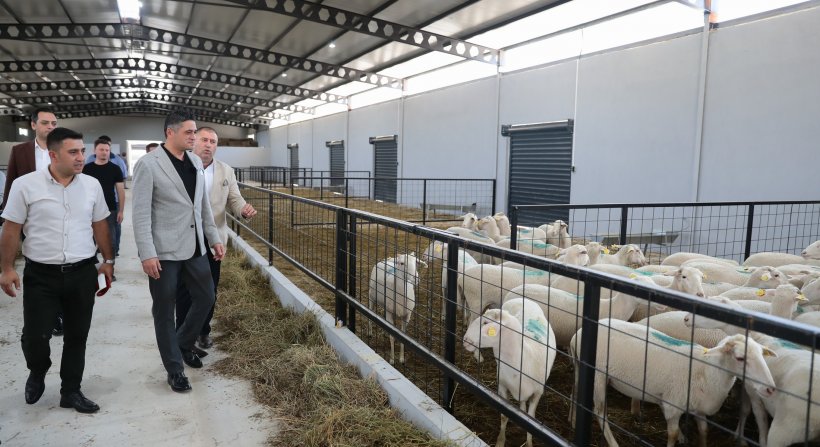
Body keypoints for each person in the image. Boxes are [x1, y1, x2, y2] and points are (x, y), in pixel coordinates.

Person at [0, 127, 114, 414]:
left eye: (82, 151)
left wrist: (108, 260)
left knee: (77, 335)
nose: (81, 157)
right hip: (41, 275)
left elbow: (100, 224)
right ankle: (38, 369)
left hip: (82, 272)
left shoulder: (91, 185)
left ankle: (70, 391)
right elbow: (11, 228)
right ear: (53, 155)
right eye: (73, 152)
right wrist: (6, 268)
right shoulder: (25, 185)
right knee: (35, 336)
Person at [132, 111, 224, 393]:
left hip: (195, 246)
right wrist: (147, 253)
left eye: (195, 132)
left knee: (206, 297)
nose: (194, 137)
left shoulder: (194, 161)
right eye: (189, 132)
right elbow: (140, 214)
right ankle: (174, 369)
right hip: (164, 251)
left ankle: (183, 343)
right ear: (170, 132)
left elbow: (201, 205)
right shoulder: (149, 164)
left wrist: (213, 237)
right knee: (164, 309)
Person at [175, 127, 256, 349]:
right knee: (184, 290)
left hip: (214, 241)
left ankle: (203, 330)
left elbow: (235, 199)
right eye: (204, 140)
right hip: (185, 238)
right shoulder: (181, 166)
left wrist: (243, 210)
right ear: (194, 141)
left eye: (213, 141)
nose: (208, 145)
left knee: (209, 289)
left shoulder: (225, 170)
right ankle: (182, 333)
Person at [1, 107, 65, 336]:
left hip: (60, 215)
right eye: (46, 123)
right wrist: (8, 214)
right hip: (31, 217)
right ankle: (44, 311)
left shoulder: (63, 149)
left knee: (60, 263)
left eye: (54, 123)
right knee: (36, 262)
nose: (50, 127)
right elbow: (12, 181)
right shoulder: (20, 151)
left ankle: (59, 313)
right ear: (33, 125)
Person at [82, 139, 125, 275]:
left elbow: (120, 191)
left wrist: (121, 210)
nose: (104, 152)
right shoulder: (87, 169)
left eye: (107, 150)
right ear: (94, 150)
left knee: (110, 240)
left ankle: (109, 269)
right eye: (101, 149)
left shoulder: (115, 169)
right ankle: (91, 268)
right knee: (89, 239)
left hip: (110, 209)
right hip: (89, 209)